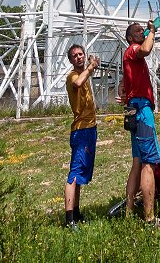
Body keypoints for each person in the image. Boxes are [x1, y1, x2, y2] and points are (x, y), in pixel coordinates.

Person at [122, 20, 160, 226]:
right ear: (130, 38)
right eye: (138, 31)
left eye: (143, 30)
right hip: (141, 111)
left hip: (134, 109)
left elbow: (126, 82)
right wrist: (152, 32)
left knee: (137, 162)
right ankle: (149, 218)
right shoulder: (133, 50)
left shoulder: (130, 57)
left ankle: (129, 212)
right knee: (148, 163)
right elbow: (146, 50)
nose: (142, 32)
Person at [64, 44, 100, 230]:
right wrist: (91, 67)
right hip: (81, 130)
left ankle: (76, 213)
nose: (78, 57)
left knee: (81, 175)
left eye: (81, 54)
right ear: (70, 60)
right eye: (75, 56)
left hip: (90, 129)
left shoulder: (84, 74)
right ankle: (69, 219)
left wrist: (92, 67)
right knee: (75, 173)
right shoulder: (73, 76)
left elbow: (85, 78)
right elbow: (77, 83)